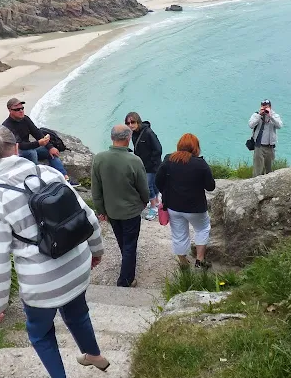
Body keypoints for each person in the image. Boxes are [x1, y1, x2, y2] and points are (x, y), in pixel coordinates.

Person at [0, 125, 107, 378]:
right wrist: (96, 251)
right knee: (77, 312)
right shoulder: (48, 173)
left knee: (40, 332)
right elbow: (88, 217)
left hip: (41, 282)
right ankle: (94, 355)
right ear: (15, 147)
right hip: (76, 264)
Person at [91, 124, 150, 287]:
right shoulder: (134, 160)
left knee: (122, 242)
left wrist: (100, 210)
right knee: (130, 244)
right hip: (131, 211)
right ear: (128, 138)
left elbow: (96, 188)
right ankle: (125, 280)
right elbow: (143, 187)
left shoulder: (99, 158)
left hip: (111, 211)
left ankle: (127, 264)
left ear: (112, 138)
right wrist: (145, 200)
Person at [155, 133, 215, 269]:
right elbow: (210, 186)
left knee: (179, 235)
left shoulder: (168, 160)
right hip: (196, 208)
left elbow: (158, 181)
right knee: (202, 229)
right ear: (196, 148)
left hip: (174, 207)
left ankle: (183, 262)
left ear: (179, 146)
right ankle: (199, 261)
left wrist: (167, 193)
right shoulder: (200, 164)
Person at [2, 97, 72, 180]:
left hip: (28, 147)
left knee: (49, 151)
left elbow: (37, 133)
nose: (21, 111)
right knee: (31, 153)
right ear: (10, 110)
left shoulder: (25, 119)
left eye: (22, 108)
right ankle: (37, 178)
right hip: (16, 153)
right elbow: (19, 145)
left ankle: (64, 176)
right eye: (17, 109)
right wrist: (38, 143)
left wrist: (50, 147)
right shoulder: (7, 126)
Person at [125, 111, 162, 221]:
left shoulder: (148, 133)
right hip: (143, 164)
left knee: (147, 186)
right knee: (153, 185)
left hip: (151, 165)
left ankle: (154, 208)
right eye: (128, 123)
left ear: (138, 121)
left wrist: (151, 162)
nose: (130, 125)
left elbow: (158, 149)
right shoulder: (134, 133)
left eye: (133, 122)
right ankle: (157, 202)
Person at [248, 99, 283, 176]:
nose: (264, 109)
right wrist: (259, 115)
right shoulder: (256, 115)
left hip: (270, 147)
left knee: (269, 171)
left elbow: (279, 126)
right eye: (263, 107)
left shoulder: (275, 116)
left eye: (266, 107)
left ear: (270, 107)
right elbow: (251, 125)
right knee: (257, 170)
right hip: (259, 147)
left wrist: (271, 116)